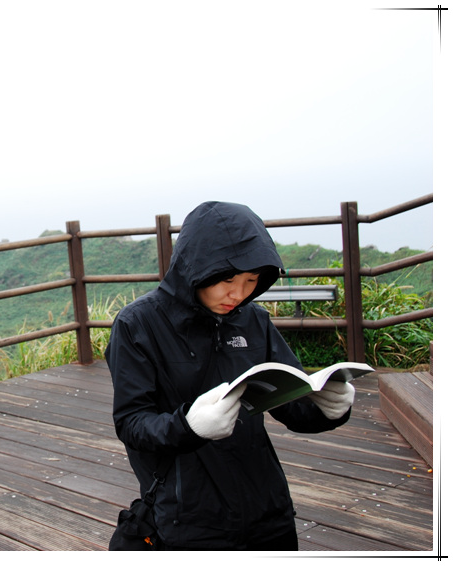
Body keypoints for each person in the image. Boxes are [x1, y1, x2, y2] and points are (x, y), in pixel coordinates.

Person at [105, 201, 355, 551]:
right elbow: (131, 423)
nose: (238, 293)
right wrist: (188, 426)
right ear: (195, 266)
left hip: (268, 509)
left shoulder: (254, 321)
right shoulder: (138, 325)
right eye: (227, 279)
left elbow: (291, 402)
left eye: (252, 280)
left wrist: (329, 409)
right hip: (190, 518)